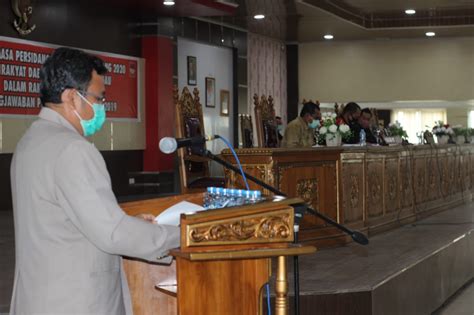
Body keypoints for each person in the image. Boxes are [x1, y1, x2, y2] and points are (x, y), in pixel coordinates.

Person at [10, 47, 180, 314]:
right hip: (76, 302)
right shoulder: (72, 149)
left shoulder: (30, 142)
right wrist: (184, 236)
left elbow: (64, 219)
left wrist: (125, 220)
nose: (102, 106)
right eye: (98, 98)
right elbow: (114, 234)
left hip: (40, 298)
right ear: (71, 97)